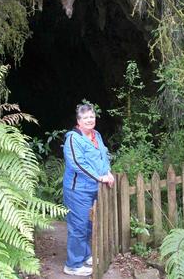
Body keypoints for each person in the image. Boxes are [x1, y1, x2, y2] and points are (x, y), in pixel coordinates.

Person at [62, 103, 115, 276]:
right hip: (77, 190)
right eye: (85, 117)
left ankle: (85, 256)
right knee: (79, 226)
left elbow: (103, 155)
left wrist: (107, 172)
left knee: (89, 225)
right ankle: (73, 264)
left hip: (94, 188)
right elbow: (77, 163)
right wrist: (99, 177)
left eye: (91, 116)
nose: (89, 120)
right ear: (79, 120)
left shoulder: (96, 135)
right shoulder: (73, 138)